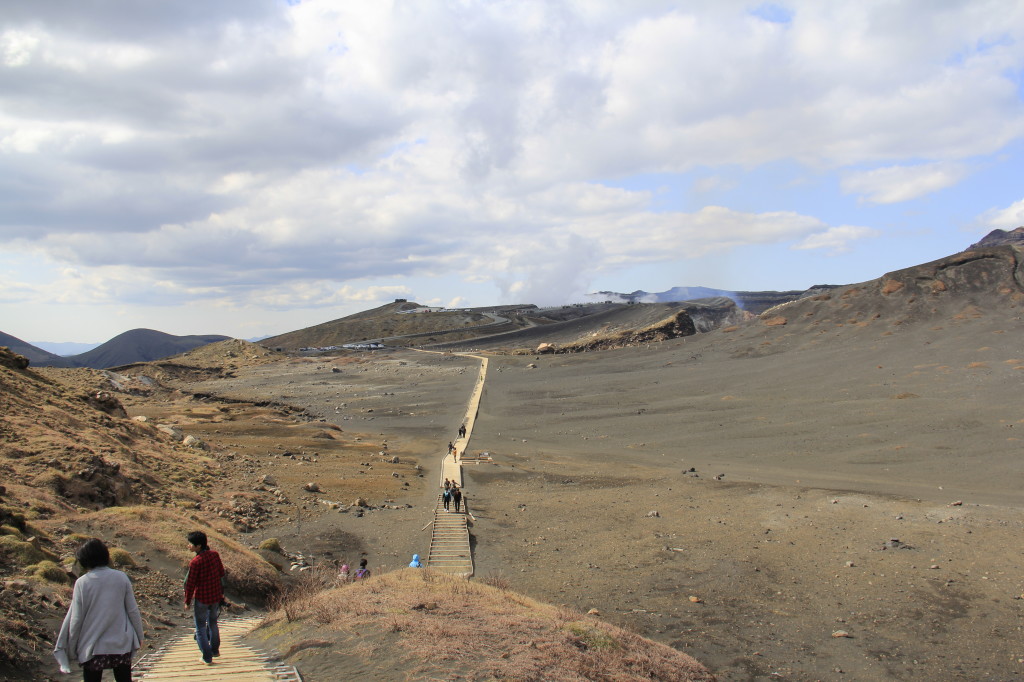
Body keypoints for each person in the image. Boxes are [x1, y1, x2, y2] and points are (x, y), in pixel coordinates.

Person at [54, 538, 144, 682]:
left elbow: (76, 619)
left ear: (84, 560)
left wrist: (72, 648)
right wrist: (139, 637)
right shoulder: (121, 578)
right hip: (120, 644)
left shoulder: (82, 583)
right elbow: (132, 610)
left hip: (93, 646)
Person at [183, 530, 226, 665]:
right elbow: (221, 573)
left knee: (200, 627)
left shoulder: (195, 562)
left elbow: (190, 584)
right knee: (213, 623)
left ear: (199, 546)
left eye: (190, 544)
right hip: (215, 596)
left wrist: (187, 601)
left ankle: (206, 657)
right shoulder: (215, 555)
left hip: (202, 598)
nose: (188, 546)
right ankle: (214, 650)